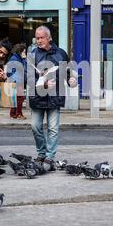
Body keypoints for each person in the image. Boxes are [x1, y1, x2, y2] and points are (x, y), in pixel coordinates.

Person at [29, 26, 77, 169]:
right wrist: (43, 85)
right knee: (35, 127)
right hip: (37, 97)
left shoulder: (61, 54)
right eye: (37, 38)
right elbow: (29, 78)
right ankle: (41, 153)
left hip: (55, 96)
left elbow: (68, 72)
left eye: (41, 37)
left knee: (53, 129)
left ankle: (49, 157)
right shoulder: (33, 55)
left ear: (49, 37)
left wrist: (71, 80)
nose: (38, 40)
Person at [7, 43, 27, 119]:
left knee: (15, 98)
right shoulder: (16, 59)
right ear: (20, 51)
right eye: (24, 52)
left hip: (15, 80)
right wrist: (24, 59)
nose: (24, 53)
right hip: (17, 80)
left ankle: (13, 113)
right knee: (20, 98)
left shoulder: (15, 58)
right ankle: (18, 114)